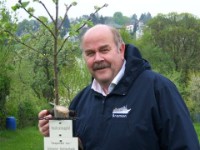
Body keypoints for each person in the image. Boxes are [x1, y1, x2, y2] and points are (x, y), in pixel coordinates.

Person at [38, 24, 200, 150]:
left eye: (104, 50)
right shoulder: (80, 101)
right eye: (90, 53)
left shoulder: (158, 89)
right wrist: (55, 133)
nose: (98, 58)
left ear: (121, 49)